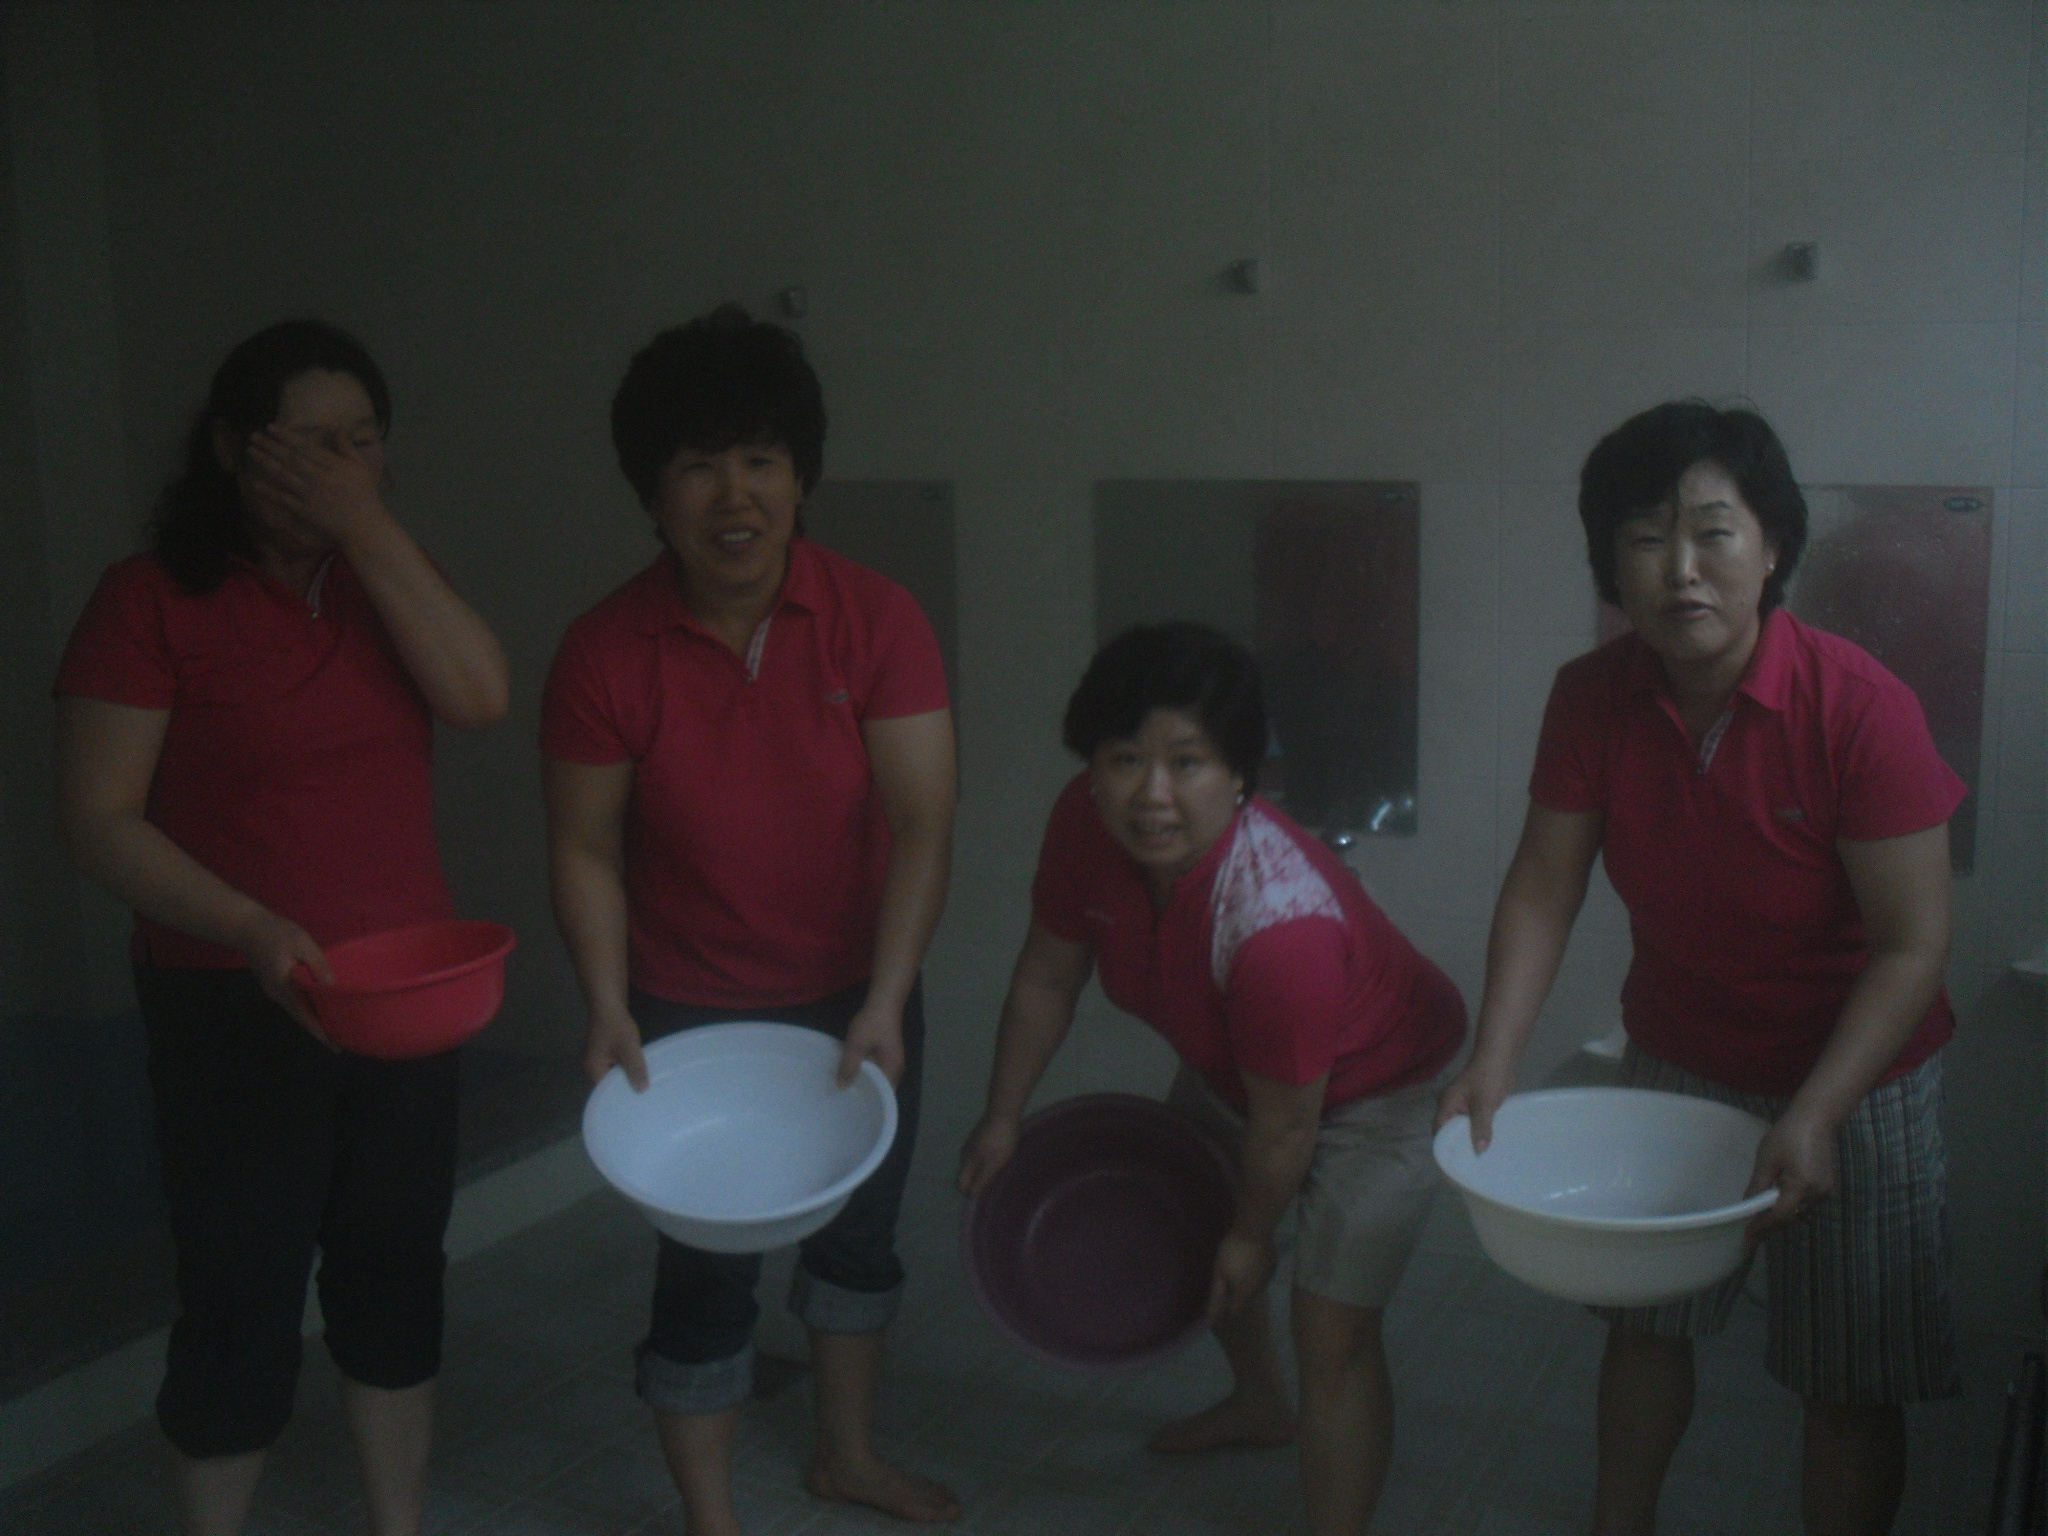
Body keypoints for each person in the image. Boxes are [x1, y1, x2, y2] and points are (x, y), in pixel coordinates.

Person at [1437, 402, 1963, 1536]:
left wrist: (1816, 1112)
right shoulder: (1592, 698)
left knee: (1845, 1376)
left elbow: (1912, 945)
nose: (1679, 569)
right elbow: (1543, 885)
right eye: (1643, 538)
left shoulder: (1860, 707)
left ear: (1770, 548)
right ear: (1610, 567)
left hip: (1858, 1075)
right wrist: (1493, 1057)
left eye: (1712, 532)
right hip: (1680, 1053)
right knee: (1645, 1326)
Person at [54, 320, 510, 1536]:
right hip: (229, 994)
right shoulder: (147, 599)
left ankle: (396, 1523)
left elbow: (479, 695)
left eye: (360, 443)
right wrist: (250, 925)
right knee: (240, 1289)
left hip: (400, 994)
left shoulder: (384, 578)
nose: (335, 468)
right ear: (228, 448)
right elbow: (97, 822)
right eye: (306, 445)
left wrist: (367, 527)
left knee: (394, 1264)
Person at [541, 305, 959, 1534]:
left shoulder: (876, 619)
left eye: (761, 459)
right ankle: (711, 1518)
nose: (735, 495)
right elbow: (582, 847)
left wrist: (886, 998)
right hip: (686, 1010)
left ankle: (845, 1457)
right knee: (704, 1265)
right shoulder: (604, 651)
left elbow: (923, 823)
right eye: (697, 464)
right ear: (651, 492)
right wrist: (608, 1005)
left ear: (800, 474)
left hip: (853, 994)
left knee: (858, 1238)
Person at [959, 622, 1466, 1536]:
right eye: (1124, 759)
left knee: (1331, 1330)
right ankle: (1261, 1405)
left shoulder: (1279, 923)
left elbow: (1287, 1128)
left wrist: (1254, 1233)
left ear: (1239, 775)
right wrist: (1003, 1116)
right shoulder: (1084, 821)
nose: (1151, 795)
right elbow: (1046, 978)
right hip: (1243, 1072)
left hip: (1378, 1087)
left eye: (1186, 762)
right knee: (1196, 1224)